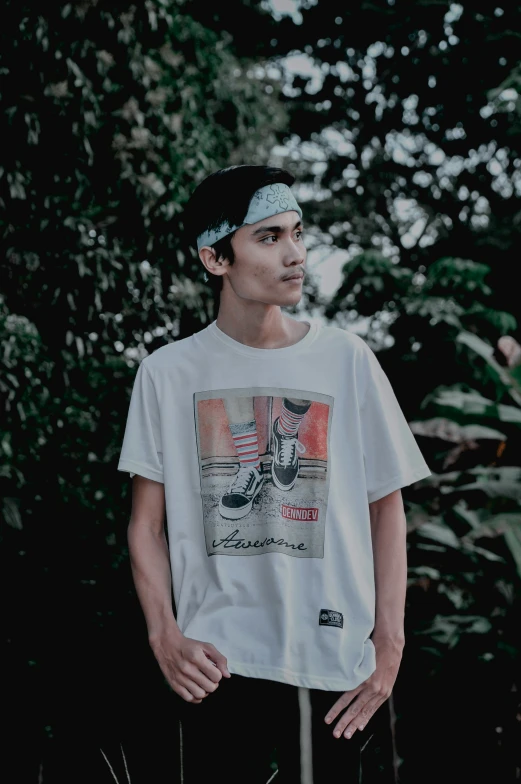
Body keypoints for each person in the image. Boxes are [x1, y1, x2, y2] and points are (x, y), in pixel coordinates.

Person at [117, 165, 432, 783]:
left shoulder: (347, 359)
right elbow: (145, 527)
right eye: (267, 237)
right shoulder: (167, 373)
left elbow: (385, 507)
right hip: (218, 667)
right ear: (215, 259)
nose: (294, 254)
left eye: (297, 233)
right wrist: (165, 637)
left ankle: (278, 450)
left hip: (334, 668)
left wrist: (389, 646)